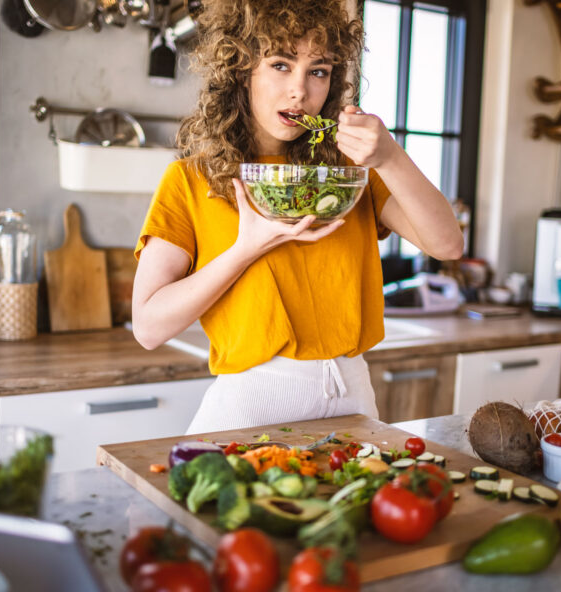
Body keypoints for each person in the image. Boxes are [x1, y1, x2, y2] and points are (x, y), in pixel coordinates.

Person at [132, 0, 463, 434]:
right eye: (281, 65)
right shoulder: (191, 180)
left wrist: (390, 156)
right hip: (252, 403)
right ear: (241, 69)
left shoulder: (349, 174)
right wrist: (246, 249)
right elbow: (149, 328)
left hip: (354, 396)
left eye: (318, 71)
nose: (300, 91)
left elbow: (447, 245)